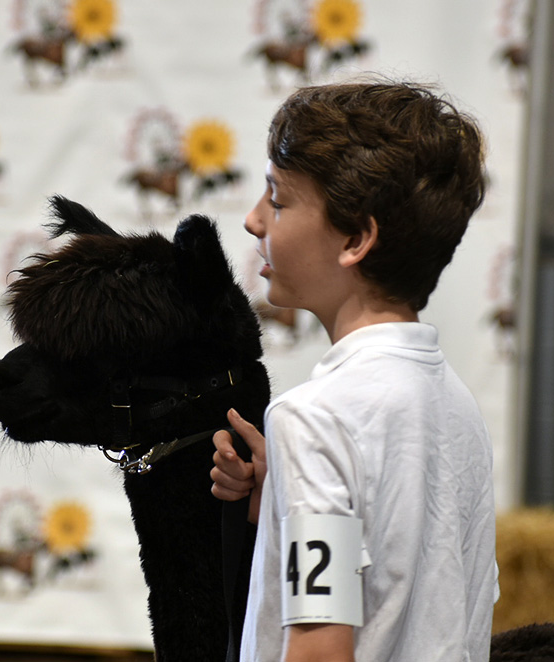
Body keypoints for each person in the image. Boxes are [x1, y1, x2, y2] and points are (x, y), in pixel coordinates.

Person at [211, 81, 496, 662]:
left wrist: (305, 461)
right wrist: (282, 492)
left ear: (357, 239)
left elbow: (321, 649)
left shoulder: (311, 418)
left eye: (279, 200)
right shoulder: (458, 407)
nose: (253, 220)